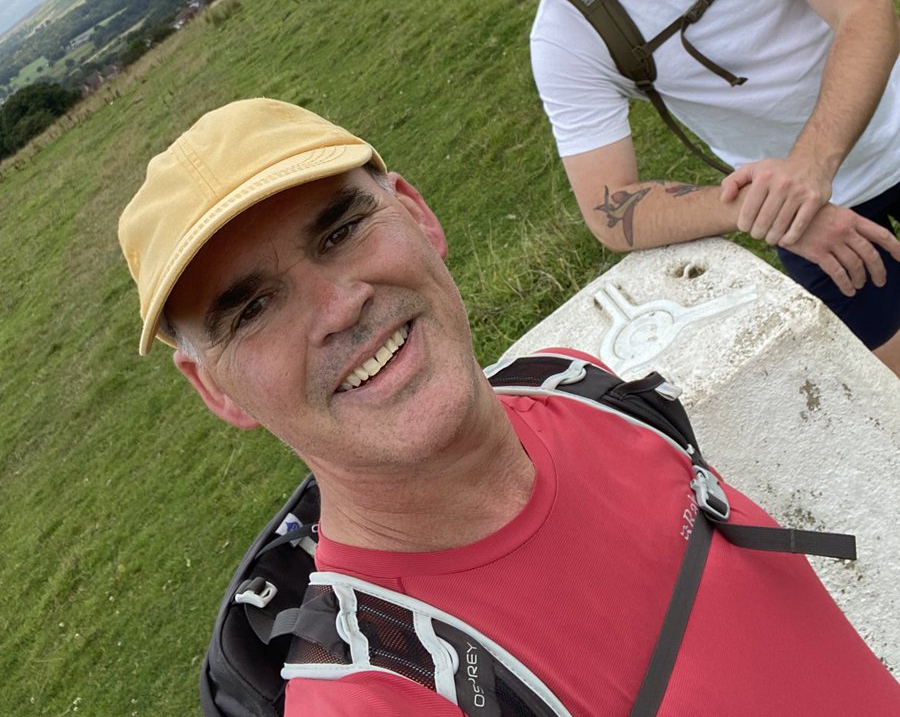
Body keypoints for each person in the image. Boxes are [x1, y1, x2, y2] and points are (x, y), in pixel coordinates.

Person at [118, 97, 900, 715]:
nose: (338, 308)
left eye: (343, 230)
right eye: (251, 309)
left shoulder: (580, 384)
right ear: (215, 388)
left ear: (419, 215)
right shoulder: (376, 700)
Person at [462, 0, 900, 372]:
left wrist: (808, 172)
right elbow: (607, 207)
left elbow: (864, 12)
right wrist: (764, 210)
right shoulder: (565, 36)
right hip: (801, 224)